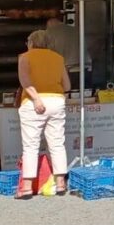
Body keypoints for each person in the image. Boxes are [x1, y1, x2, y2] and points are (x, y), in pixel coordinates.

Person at [17, 29, 71, 199]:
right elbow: (67, 86)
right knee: (57, 143)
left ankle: (27, 187)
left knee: (31, 145)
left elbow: (25, 81)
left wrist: (36, 99)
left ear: (31, 42)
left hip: (34, 103)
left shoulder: (25, 57)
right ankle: (61, 183)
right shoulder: (58, 58)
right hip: (57, 101)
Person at [45, 16, 83, 86]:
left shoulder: (49, 33)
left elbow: (49, 53)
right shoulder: (77, 30)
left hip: (64, 70)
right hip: (83, 68)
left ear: (49, 25)